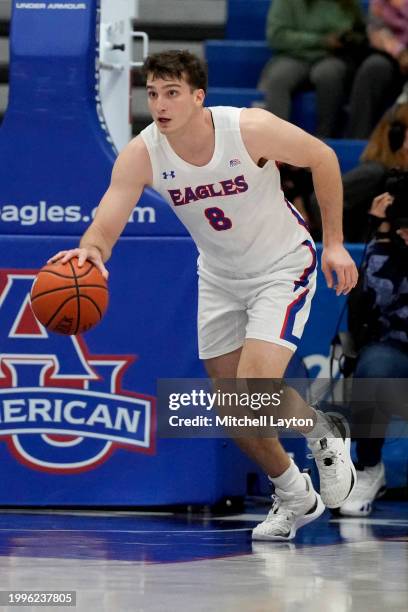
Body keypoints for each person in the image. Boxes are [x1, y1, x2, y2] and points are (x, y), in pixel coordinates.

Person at [48, 50, 358, 541]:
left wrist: (335, 243)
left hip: (280, 265)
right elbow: (109, 216)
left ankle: (322, 430)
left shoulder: (248, 128)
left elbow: (323, 157)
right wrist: (91, 252)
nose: (160, 104)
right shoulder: (144, 151)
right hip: (219, 276)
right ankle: (294, 494)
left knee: (253, 392)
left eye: (171, 93)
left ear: (198, 97)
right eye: (152, 93)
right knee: (232, 408)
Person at [338, 192, 408, 516]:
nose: (405, 233)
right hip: (394, 347)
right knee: (375, 366)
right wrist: (379, 235)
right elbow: (369, 307)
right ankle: (369, 467)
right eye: (401, 226)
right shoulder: (385, 251)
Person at [258, 0, 366, 137]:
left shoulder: (348, 4)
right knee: (278, 77)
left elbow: (361, 33)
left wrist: (348, 39)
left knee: (328, 74)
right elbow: (277, 36)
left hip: (333, 57)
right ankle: (275, 140)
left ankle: (325, 140)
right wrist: (322, 41)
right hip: (293, 56)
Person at [309, 101, 408, 241]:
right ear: (397, 136)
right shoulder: (373, 172)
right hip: (365, 254)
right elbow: (320, 199)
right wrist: (339, 244)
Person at [346, 0, 408, 138]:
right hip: (392, 55)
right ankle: (358, 139)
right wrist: (400, 52)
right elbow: (376, 31)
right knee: (372, 68)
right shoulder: (380, 3)